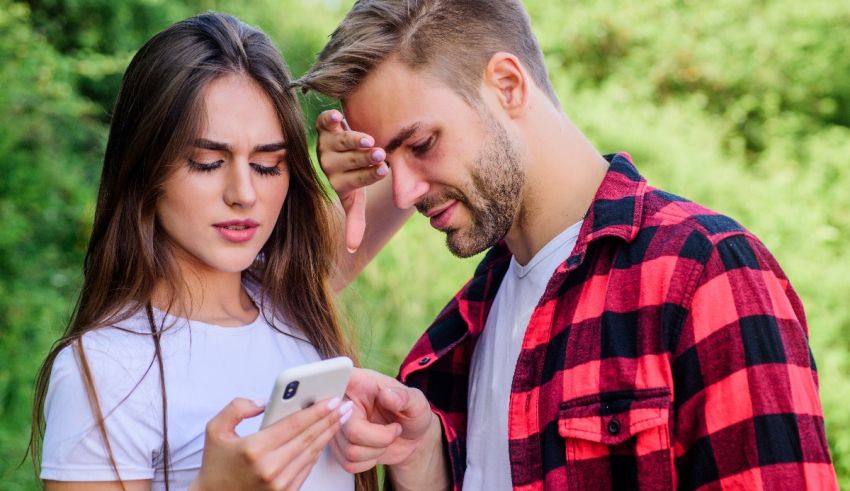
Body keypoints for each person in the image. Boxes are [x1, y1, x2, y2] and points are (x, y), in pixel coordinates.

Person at [293, 0, 839, 489]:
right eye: (389, 165)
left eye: (421, 144)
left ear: (508, 85)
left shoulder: (704, 271)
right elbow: (268, 292)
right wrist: (426, 463)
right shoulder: (464, 330)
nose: (406, 192)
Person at [29, 13, 380, 491]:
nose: (243, 194)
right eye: (208, 163)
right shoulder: (106, 370)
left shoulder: (291, 297)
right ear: (145, 168)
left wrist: (361, 167)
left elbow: (406, 181)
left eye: (267, 165)